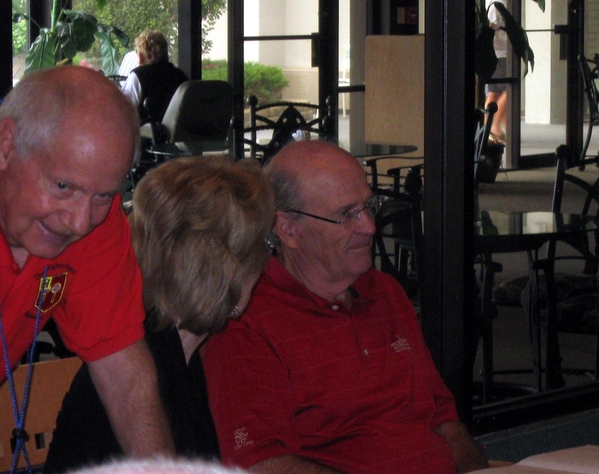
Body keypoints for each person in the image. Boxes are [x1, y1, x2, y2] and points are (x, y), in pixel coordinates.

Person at [203, 140, 489, 473]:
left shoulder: (384, 291)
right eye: (346, 214)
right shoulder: (248, 322)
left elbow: (443, 418)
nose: (369, 226)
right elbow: (263, 464)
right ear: (287, 228)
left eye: (369, 206)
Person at [44, 156, 275, 473]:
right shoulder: (144, 374)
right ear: (226, 271)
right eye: (263, 245)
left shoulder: (172, 351)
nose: (267, 262)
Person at [0, 66, 175, 457]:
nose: (79, 222)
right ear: (6, 145)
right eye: (63, 186)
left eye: (103, 196)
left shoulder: (95, 223)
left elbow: (127, 381)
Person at [120, 29, 189, 124]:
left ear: (140, 56)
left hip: (149, 135)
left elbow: (121, 110)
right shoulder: (180, 76)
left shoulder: (138, 76)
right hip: (178, 135)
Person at [485, 0, 509, 144]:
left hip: (498, 52)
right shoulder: (497, 3)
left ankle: (496, 128)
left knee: (495, 93)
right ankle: (493, 127)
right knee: (508, 92)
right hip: (501, 53)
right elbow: (491, 26)